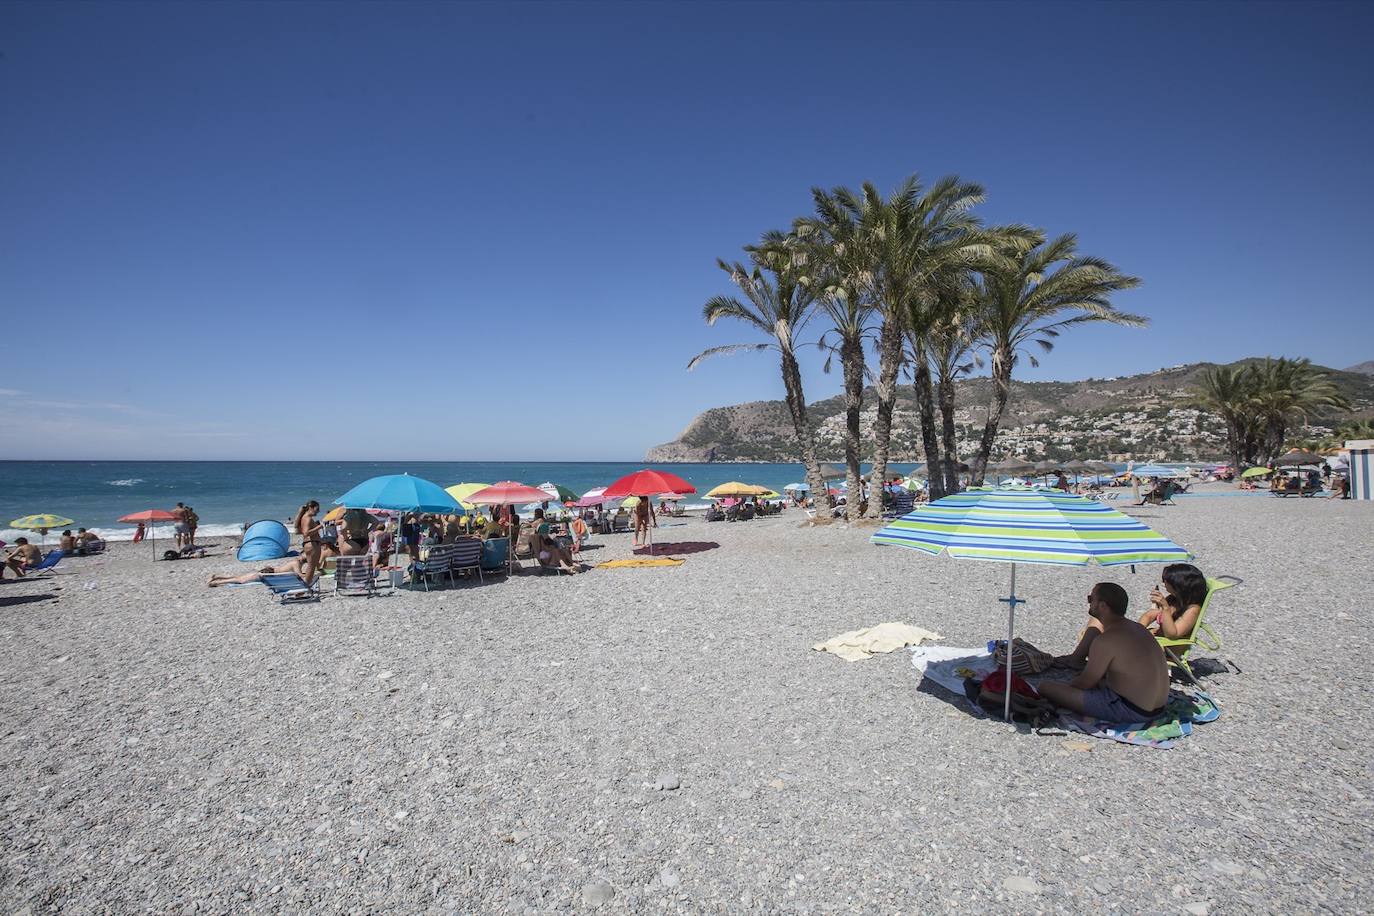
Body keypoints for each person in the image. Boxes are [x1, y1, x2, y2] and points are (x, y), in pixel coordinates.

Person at [1042, 582, 1170, 723]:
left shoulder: (1105, 641)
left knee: (1046, 687)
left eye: (1091, 599)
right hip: (1158, 707)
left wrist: (1066, 691)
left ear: (1103, 606)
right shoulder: (1139, 629)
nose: (1089, 602)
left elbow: (1085, 683)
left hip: (1132, 710)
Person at [1136, 563, 1207, 642]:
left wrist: (1165, 607)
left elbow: (1172, 634)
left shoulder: (1192, 610)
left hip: (1170, 647)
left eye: (1166, 581)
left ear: (1178, 585)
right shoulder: (1173, 599)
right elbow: (1149, 615)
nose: (1164, 583)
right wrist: (1138, 632)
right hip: (1160, 640)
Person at [207, 556, 310, 588]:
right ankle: (216, 582)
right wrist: (310, 573)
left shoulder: (296, 563)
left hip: (268, 572)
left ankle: (217, 576)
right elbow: (299, 574)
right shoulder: (296, 563)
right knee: (241, 580)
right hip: (267, 574)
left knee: (240, 577)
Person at [294, 501, 322, 585]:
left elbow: (300, 531)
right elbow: (306, 533)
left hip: (310, 543)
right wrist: (319, 526)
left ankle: (306, 586)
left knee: (311, 567)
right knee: (311, 567)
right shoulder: (308, 518)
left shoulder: (304, 518)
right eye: (317, 509)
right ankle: (305, 587)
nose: (318, 511)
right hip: (312, 544)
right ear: (311, 508)